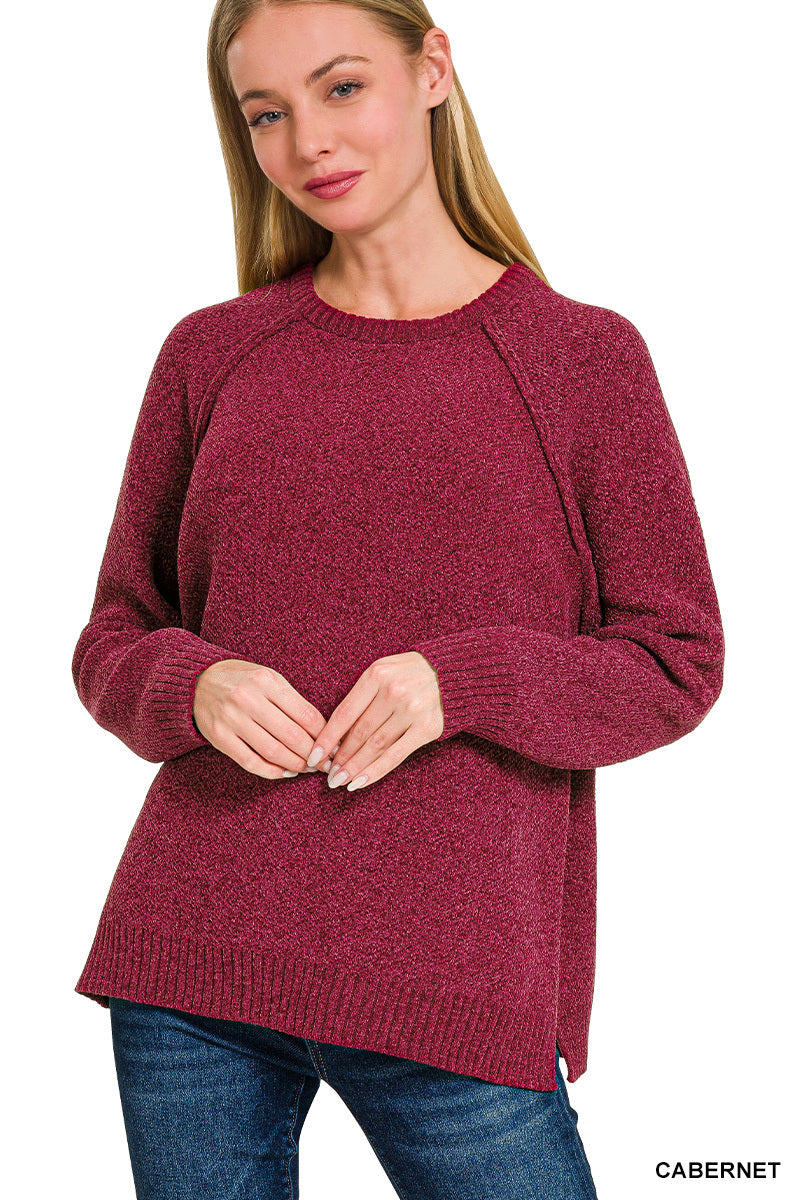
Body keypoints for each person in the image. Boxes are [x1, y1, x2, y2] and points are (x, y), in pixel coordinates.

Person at [71, 1, 725, 1197]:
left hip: (453, 984)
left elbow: (673, 660)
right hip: (192, 964)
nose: (306, 141)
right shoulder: (212, 353)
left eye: (340, 88)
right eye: (265, 113)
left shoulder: (579, 360)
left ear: (430, 70)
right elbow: (114, 635)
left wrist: (460, 681)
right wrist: (192, 682)